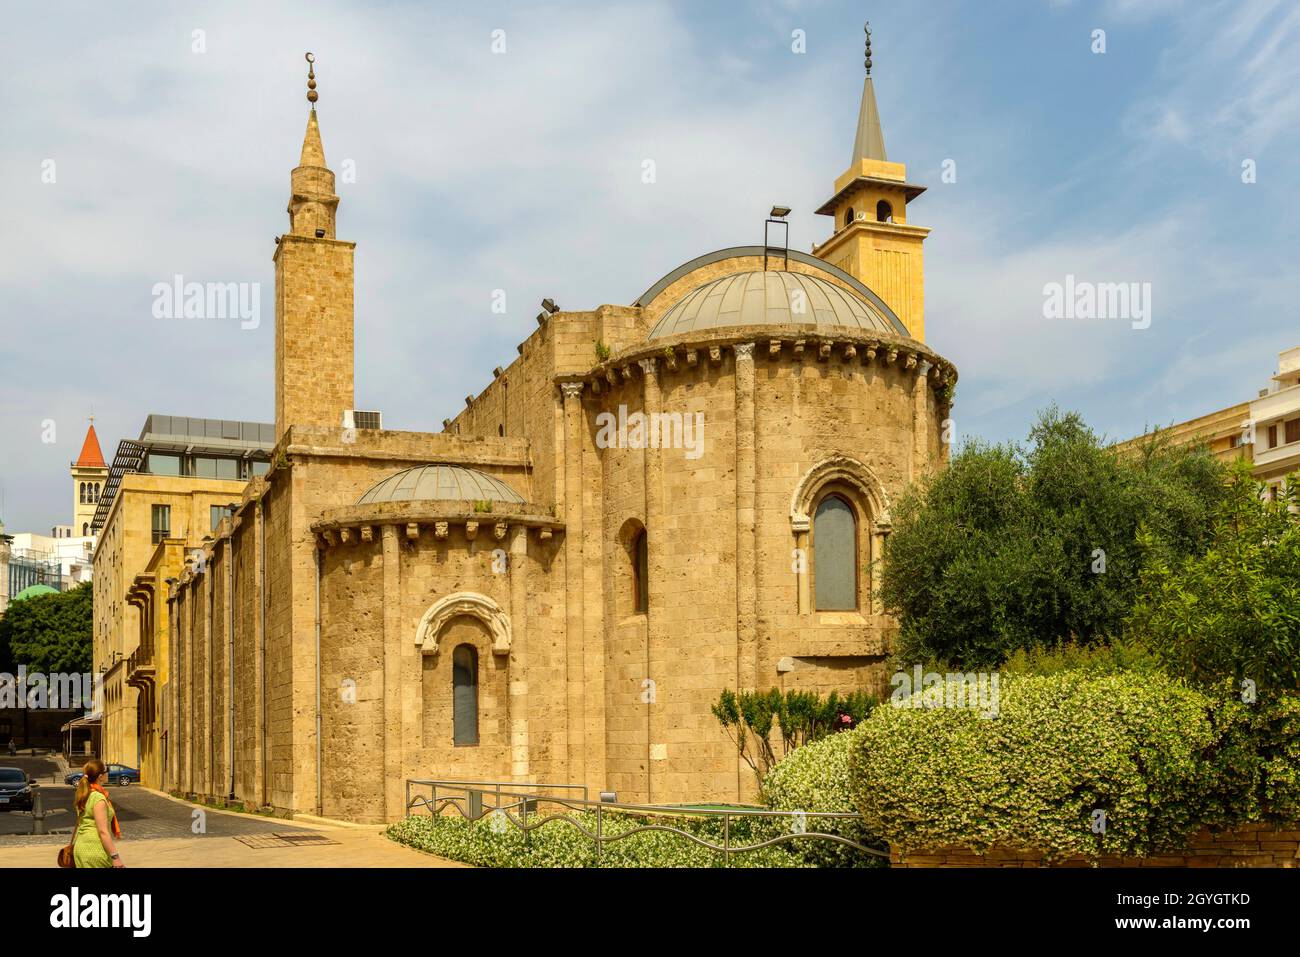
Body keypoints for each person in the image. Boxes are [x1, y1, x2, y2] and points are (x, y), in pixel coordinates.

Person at [73, 759, 124, 868]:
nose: (108, 773)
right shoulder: (98, 798)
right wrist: (115, 857)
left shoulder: (84, 794)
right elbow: (102, 831)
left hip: (81, 846)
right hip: (95, 849)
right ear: (100, 776)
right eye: (107, 770)